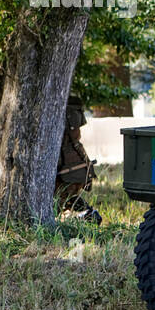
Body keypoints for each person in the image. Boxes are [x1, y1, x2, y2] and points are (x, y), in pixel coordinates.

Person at [55, 95, 101, 224]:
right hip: (71, 168)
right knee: (65, 198)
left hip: (70, 170)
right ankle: (87, 215)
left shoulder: (70, 131)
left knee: (61, 199)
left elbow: (75, 138)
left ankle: (87, 216)